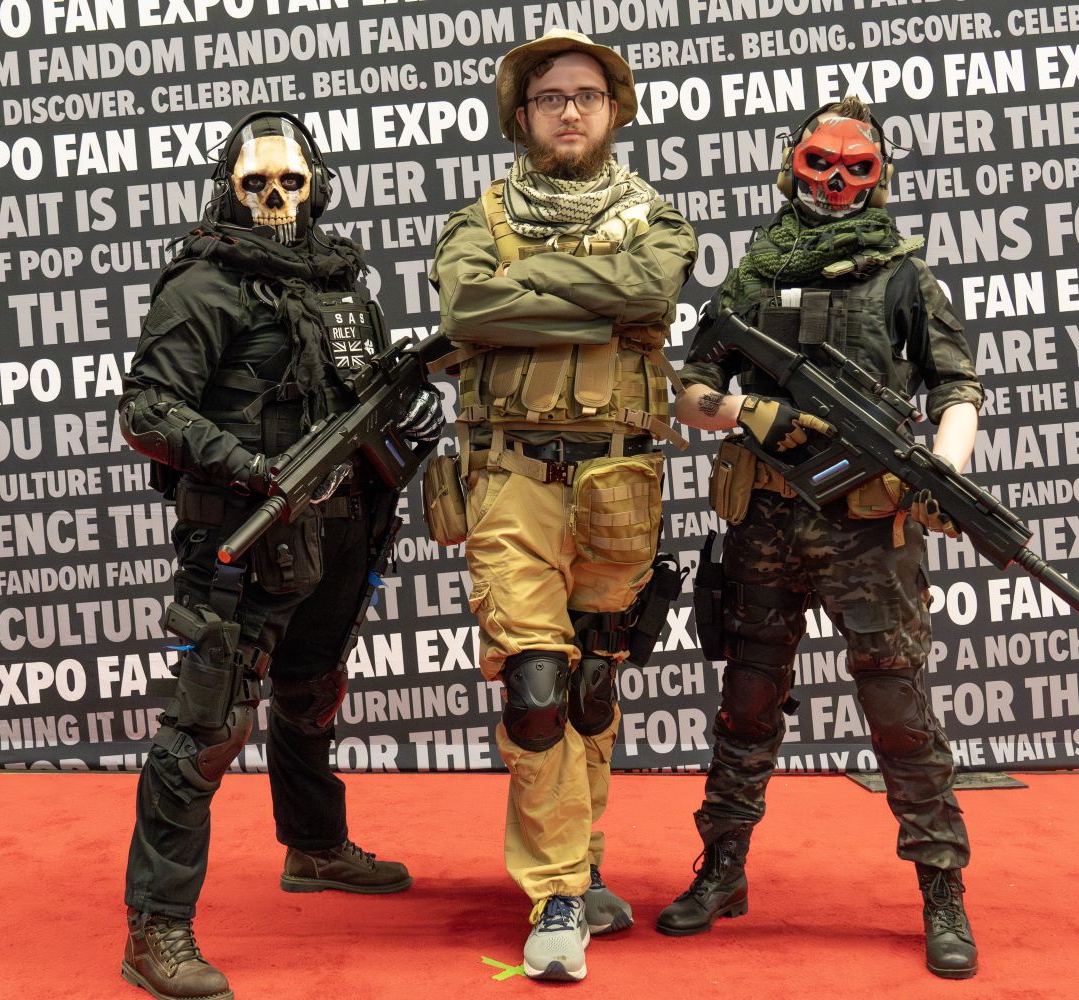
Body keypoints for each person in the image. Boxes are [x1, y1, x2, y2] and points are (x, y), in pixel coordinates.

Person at [656, 96, 985, 980]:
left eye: (856, 169)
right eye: (820, 165)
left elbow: (958, 386)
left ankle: (941, 885)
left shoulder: (905, 276)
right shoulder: (756, 275)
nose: (836, 183)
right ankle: (723, 867)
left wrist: (944, 469)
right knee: (749, 699)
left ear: (878, 179)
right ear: (791, 164)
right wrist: (750, 412)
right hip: (766, 515)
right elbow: (687, 389)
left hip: (867, 525)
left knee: (897, 704)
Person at [117, 110, 443, 1000]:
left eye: (290, 183)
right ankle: (157, 930)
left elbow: (366, 392)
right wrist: (250, 469)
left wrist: (408, 421)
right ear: (229, 185)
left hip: (343, 524)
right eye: (256, 183)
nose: (273, 199)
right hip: (244, 528)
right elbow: (148, 409)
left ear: (319, 186)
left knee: (312, 688)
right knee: (208, 727)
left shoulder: (344, 282)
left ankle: (314, 846)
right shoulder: (204, 282)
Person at [428, 29, 697, 982]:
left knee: (592, 689)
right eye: (551, 98)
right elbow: (468, 313)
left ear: (615, 109)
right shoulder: (478, 221)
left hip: (620, 481)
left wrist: (531, 285)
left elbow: (652, 286)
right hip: (510, 482)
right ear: (523, 115)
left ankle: (581, 869)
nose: (571, 110)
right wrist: (602, 309)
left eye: (588, 94)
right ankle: (554, 893)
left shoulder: (660, 220)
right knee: (537, 690)